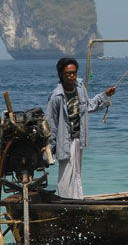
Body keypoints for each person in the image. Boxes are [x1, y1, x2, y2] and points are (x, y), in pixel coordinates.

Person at [46, 57, 115, 199]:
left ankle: (77, 199)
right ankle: (66, 201)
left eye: (74, 72)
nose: (72, 76)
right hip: (64, 140)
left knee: (77, 172)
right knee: (66, 174)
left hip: (78, 138)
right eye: (68, 73)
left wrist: (105, 95)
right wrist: (49, 146)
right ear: (61, 75)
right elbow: (51, 123)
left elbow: (87, 106)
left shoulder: (80, 87)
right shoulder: (56, 97)